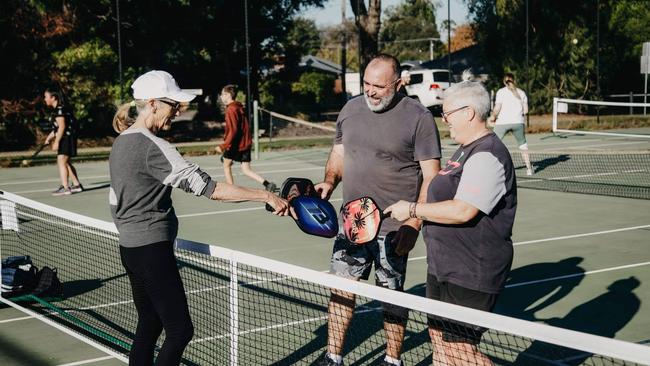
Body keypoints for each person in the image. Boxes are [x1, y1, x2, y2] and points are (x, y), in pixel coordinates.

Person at [109, 70, 290, 365]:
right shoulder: (154, 147)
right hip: (152, 250)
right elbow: (213, 189)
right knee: (180, 331)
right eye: (174, 105)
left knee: (149, 324)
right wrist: (266, 195)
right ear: (153, 103)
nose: (178, 111)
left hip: (129, 249)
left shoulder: (121, 142)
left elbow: (114, 201)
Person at [315, 54, 442, 366]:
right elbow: (339, 153)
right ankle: (333, 357)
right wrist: (328, 182)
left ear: (398, 84)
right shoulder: (350, 109)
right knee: (342, 288)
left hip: (394, 228)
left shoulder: (419, 117)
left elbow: (432, 177)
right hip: (352, 223)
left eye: (378, 86)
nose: (369, 91)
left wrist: (414, 223)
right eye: (366, 84)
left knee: (392, 297)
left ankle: (392, 359)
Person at [384, 71, 517, 366]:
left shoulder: (487, 155)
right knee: (441, 346)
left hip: (472, 271)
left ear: (469, 113)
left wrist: (413, 210)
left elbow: (463, 210)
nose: (444, 120)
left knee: (460, 352)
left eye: (447, 114)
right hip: (444, 265)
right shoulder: (464, 150)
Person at [216, 84, 276, 192]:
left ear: (228, 95)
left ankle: (231, 189)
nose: (221, 96)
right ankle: (267, 184)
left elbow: (233, 131)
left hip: (236, 145)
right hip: (246, 144)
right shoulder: (239, 107)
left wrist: (223, 146)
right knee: (246, 169)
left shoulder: (231, 109)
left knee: (226, 164)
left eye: (222, 94)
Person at [488, 73, 533, 175]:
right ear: (514, 81)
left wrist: (492, 117)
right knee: (523, 146)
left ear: (504, 82)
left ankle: (491, 167)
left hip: (502, 123)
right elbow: (525, 111)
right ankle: (529, 169)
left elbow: (497, 108)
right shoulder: (521, 93)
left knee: (493, 144)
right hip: (518, 123)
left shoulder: (501, 92)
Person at [43, 87, 83, 196]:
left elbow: (62, 127)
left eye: (46, 97)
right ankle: (77, 185)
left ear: (53, 98)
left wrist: (56, 142)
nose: (45, 99)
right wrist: (48, 138)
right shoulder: (59, 109)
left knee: (61, 160)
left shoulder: (60, 109)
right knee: (65, 162)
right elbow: (57, 128)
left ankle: (65, 188)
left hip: (66, 138)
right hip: (66, 137)